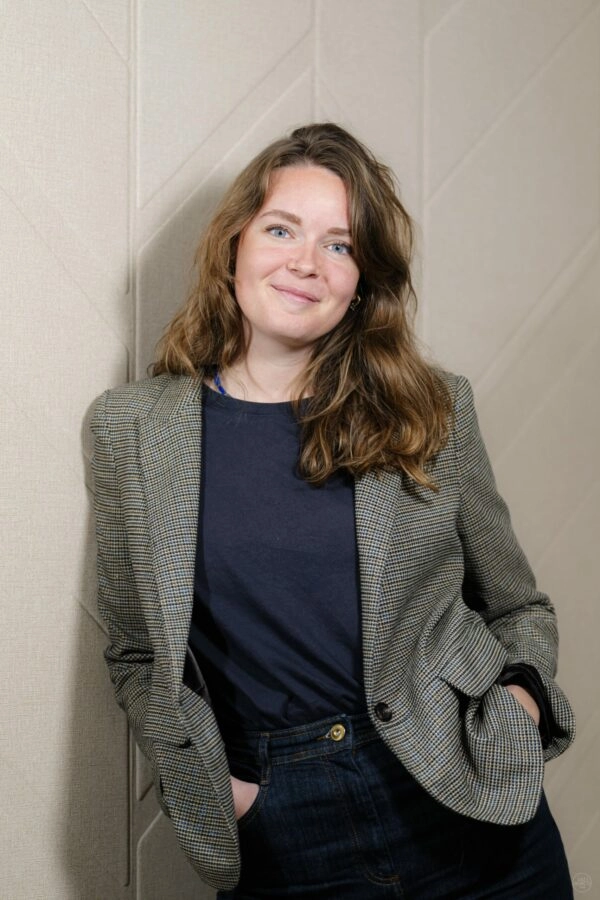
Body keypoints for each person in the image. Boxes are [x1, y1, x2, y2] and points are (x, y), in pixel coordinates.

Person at [91, 123, 576, 899]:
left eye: (339, 245)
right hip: (284, 825)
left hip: (467, 795)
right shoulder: (132, 431)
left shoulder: (432, 408)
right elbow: (136, 652)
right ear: (235, 243)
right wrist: (227, 792)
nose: (306, 263)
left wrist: (515, 710)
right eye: (282, 230)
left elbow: (517, 606)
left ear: (362, 280)